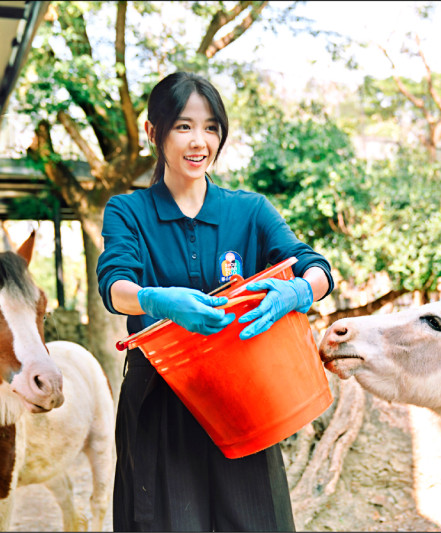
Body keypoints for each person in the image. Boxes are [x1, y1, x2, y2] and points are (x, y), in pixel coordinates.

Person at [96, 71, 334, 532]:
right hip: (161, 403)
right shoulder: (128, 212)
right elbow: (114, 286)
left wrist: (301, 290)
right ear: (153, 132)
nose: (198, 141)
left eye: (210, 128)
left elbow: (315, 265)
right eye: (183, 126)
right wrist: (156, 300)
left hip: (245, 402)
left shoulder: (249, 210)